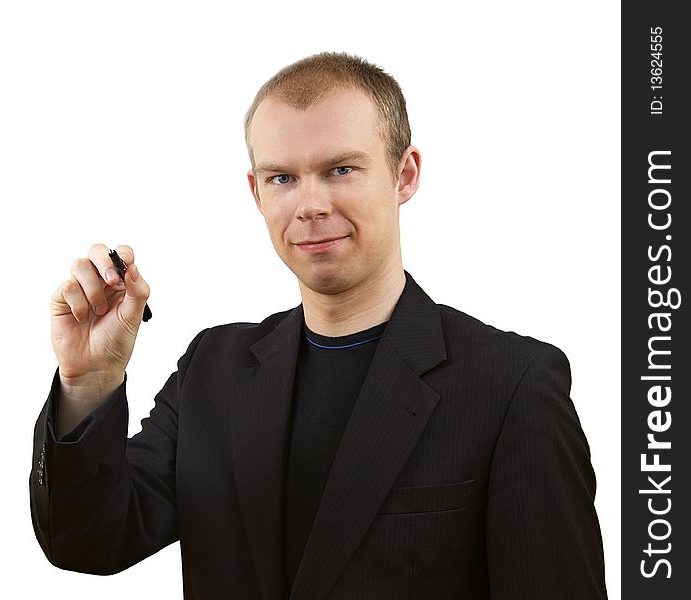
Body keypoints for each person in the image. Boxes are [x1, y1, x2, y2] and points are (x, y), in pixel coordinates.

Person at [30, 51, 608, 599]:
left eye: (340, 169)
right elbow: (90, 540)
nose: (309, 205)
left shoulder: (513, 384)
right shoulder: (212, 369)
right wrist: (88, 384)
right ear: (256, 192)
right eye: (282, 178)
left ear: (404, 175)